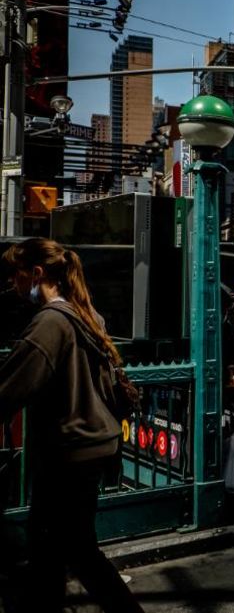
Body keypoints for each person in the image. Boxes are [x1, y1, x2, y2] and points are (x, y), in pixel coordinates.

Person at [0, 238, 146, 613]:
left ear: (36, 274)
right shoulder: (87, 314)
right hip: (95, 446)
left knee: (67, 548)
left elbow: (11, 387)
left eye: (16, 275)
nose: (13, 284)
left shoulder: (50, 323)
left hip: (68, 450)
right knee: (59, 549)